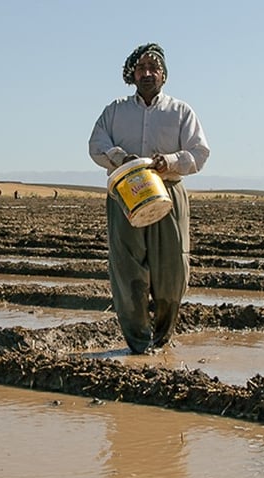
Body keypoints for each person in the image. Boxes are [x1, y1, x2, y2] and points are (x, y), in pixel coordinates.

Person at [88, 42, 210, 354]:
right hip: (125, 194)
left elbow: (199, 153)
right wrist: (120, 157)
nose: (147, 73)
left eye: (153, 68)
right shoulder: (114, 111)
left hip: (167, 191)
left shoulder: (181, 112)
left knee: (172, 271)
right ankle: (139, 344)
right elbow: (96, 143)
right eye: (141, 68)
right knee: (127, 271)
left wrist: (168, 161)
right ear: (132, 74)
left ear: (164, 75)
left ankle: (163, 336)